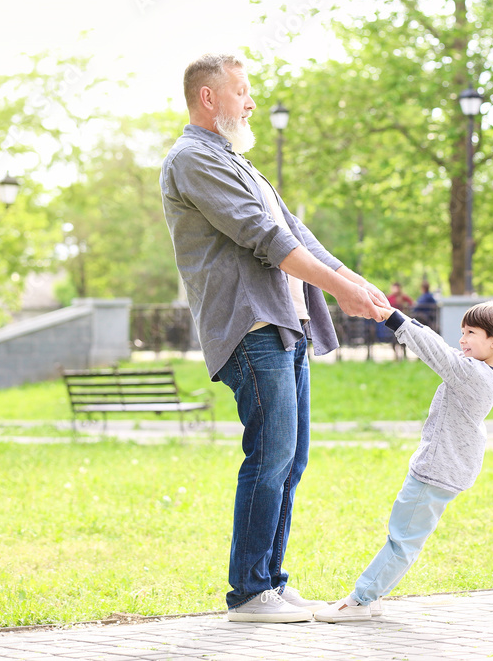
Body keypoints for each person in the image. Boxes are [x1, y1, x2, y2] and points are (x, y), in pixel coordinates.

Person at [160, 53, 388, 624]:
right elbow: (262, 236)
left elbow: (296, 232)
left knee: (291, 458)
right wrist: (339, 289)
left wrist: (354, 283)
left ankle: (271, 580)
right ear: (208, 98)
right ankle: (249, 593)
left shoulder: (239, 163)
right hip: (250, 327)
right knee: (269, 455)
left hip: (287, 324)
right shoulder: (191, 159)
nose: (251, 101)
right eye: (241, 91)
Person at [314, 300, 493, 623]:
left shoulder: (473, 374)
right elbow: (438, 345)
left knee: (402, 539)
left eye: (470, 332)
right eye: (462, 332)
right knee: (404, 535)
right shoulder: (480, 370)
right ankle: (373, 595)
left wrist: (393, 318)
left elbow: (433, 351)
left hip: (435, 473)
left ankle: (360, 601)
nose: (462, 339)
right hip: (441, 470)